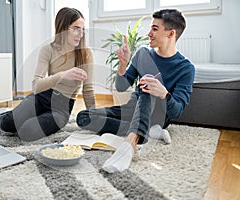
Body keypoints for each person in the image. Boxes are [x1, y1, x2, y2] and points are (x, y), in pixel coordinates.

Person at [76, 9, 195, 152]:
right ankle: (147, 131)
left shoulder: (186, 68)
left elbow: (176, 112)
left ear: (171, 33)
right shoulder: (143, 54)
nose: (149, 33)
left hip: (158, 115)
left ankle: (134, 135)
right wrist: (123, 65)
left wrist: (163, 93)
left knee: (147, 85)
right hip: (132, 108)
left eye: (155, 29)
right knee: (83, 117)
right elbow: (121, 86)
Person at [0, 7, 95, 142]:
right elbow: (36, 86)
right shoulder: (48, 50)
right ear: (62, 28)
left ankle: (18, 115)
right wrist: (62, 75)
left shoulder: (86, 54)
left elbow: (88, 89)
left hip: (62, 108)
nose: (80, 34)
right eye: (75, 28)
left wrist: (95, 119)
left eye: (82, 29)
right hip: (41, 97)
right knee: (8, 125)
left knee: (27, 131)